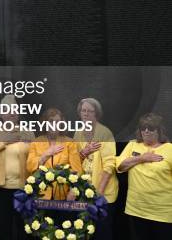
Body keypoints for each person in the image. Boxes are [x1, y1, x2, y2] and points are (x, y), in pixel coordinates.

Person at [0, 95, 34, 240]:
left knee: (23, 228)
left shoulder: (27, 131)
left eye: (15, 110)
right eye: (8, 110)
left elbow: (34, 156)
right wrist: (4, 141)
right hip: (0, 188)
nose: (12, 113)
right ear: (0, 114)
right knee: (2, 227)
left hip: (22, 187)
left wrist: (29, 144)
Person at [117, 113, 172, 240]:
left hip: (162, 212)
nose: (146, 131)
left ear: (159, 131)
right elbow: (120, 166)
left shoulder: (169, 149)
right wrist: (142, 158)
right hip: (136, 210)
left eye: (150, 128)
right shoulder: (132, 145)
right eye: (143, 128)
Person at [73, 98, 118, 240]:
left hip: (103, 194)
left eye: (90, 111)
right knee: (85, 233)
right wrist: (84, 152)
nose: (86, 114)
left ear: (96, 114)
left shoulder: (105, 133)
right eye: (83, 110)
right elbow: (75, 161)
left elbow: (110, 166)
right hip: (84, 194)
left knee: (102, 233)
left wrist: (98, 194)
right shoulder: (78, 133)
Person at [27, 108, 83, 200]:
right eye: (51, 121)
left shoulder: (70, 143)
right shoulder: (36, 142)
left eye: (57, 121)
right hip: (41, 195)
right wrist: (45, 155)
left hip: (64, 195)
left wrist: (73, 191)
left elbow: (77, 170)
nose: (54, 124)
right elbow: (29, 167)